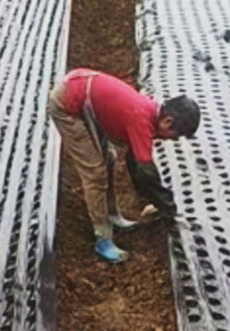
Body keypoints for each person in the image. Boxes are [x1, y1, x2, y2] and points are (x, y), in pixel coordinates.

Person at [48, 68, 201, 263]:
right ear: (167, 121)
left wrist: (156, 200)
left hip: (83, 95)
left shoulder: (149, 113)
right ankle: (102, 238)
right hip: (67, 104)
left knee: (109, 159)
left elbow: (134, 163)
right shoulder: (141, 118)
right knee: (95, 172)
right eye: (175, 135)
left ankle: (111, 214)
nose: (172, 141)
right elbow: (146, 173)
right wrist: (166, 207)